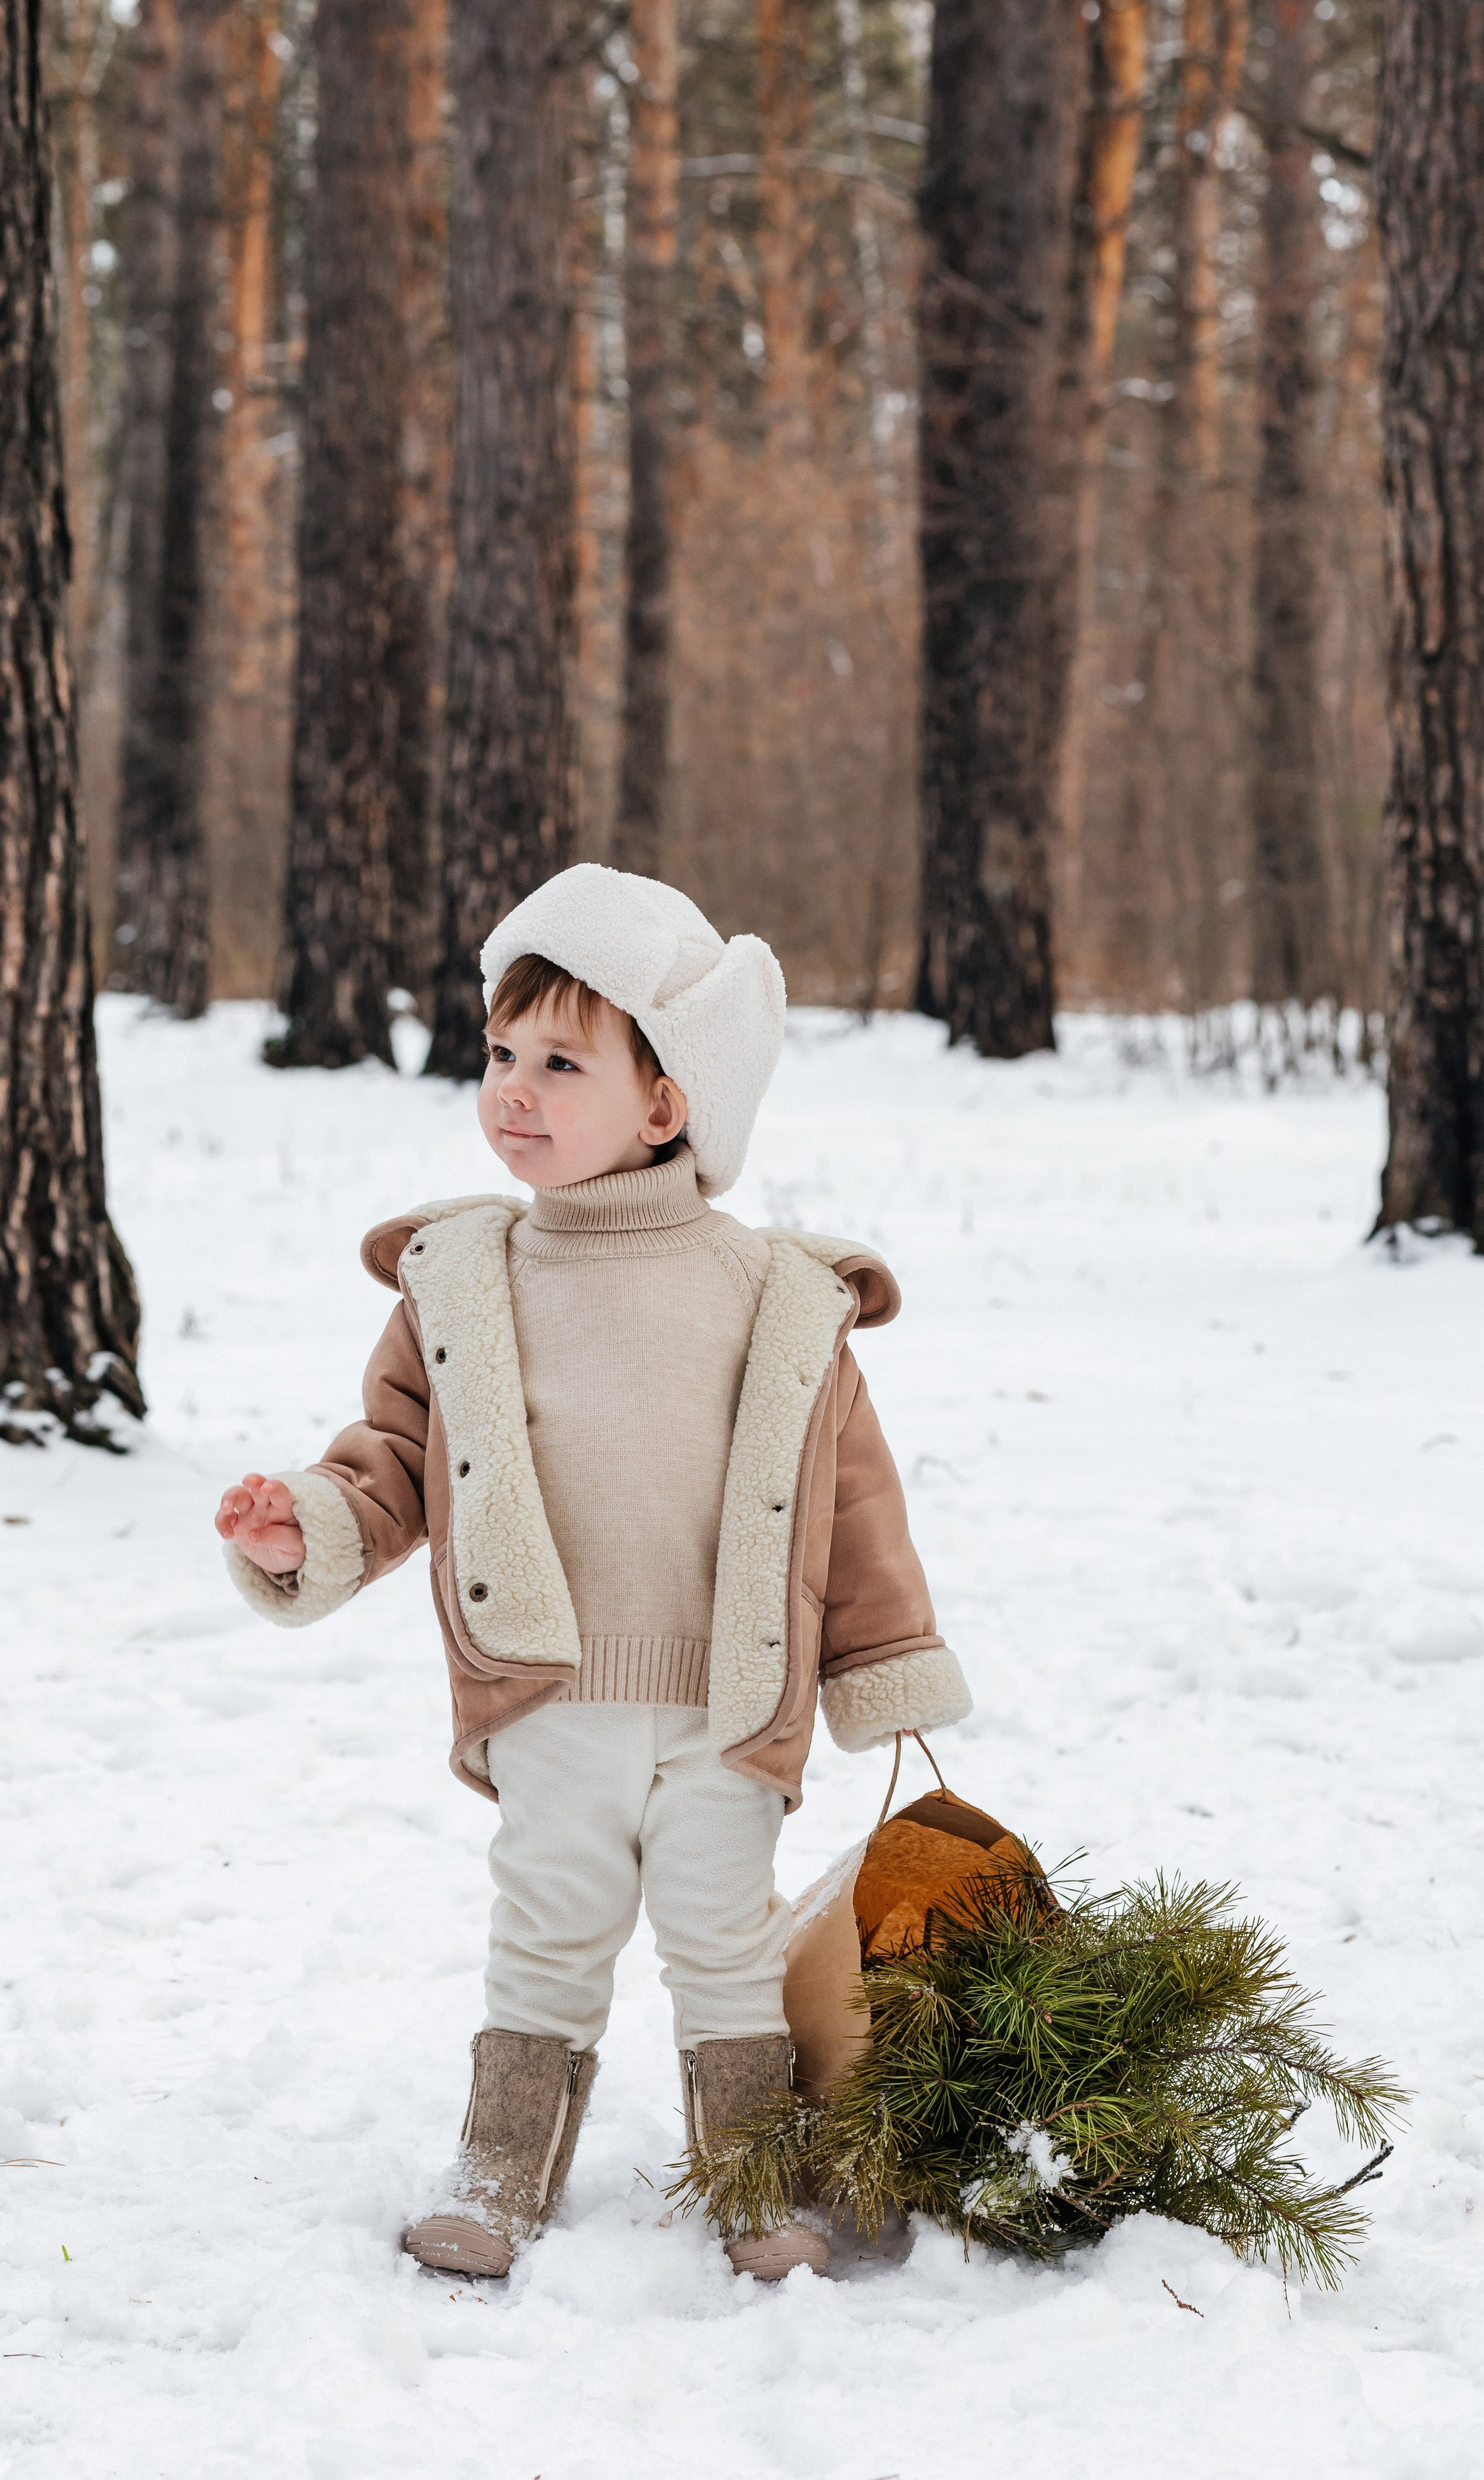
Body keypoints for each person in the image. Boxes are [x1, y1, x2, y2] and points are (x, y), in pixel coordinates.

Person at [215, 864, 972, 2282]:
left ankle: (753, 2179)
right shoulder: (462, 1282)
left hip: (726, 1702)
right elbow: (394, 1457)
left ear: (666, 1099)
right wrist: (309, 1527)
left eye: (561, 1062)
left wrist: (884, 1671)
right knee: (549, 1931)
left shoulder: (772, 1293)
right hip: (550, 1692)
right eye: (499, 1055)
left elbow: (848, 1502)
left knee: (723, 1946)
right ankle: (499, 2169)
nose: (512, 1089)